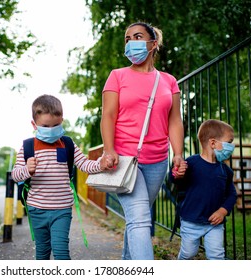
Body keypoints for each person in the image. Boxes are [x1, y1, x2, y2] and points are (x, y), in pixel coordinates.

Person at [101, 22, 186, 260]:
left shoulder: (169, 81)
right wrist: (109, 150)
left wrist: (177, 154)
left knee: (138, 218)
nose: (131, 43)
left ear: (153, 44)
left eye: (137, 37)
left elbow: (175, 121)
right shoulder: (117, 76)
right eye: (127, 39)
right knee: (140, 219)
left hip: (157, 161)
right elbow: (108, 115)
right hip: (124, 159)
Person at [11, 94, 111, 260]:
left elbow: (84, 165)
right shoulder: (28, 146)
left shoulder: (68, 144)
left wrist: (100, 164)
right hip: (37, 209)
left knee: (61, 251)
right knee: (42, 252)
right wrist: (27, 170)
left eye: (55, 125)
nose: (51, 130)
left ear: (62, 120)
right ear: (34, 124)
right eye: (45, 125)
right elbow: (15, 175)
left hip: (62, 209)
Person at [171, 119, 237, 260]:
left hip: (214, 224)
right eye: (229, 142)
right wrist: (177, 174)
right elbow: (177, 182)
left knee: (217, 255)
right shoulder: (191, 163)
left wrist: (222, 211)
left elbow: (232, 194)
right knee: (189, 253)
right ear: (213, 143)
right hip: (190, 221)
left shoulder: (225, 170)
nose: (232, 147)